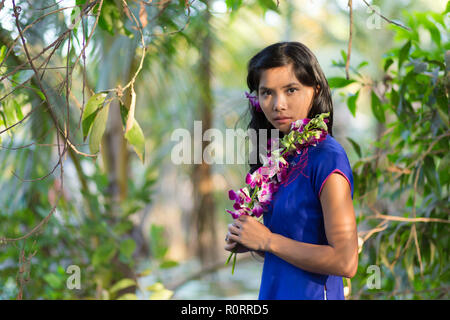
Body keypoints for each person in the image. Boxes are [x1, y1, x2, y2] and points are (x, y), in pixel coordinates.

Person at [224, 42, 358, 300]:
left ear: (315, 90)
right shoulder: (281, 157)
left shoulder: (328, 158)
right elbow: (298, 240)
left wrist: (268, 241)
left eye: (291, 90)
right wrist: (252, 240)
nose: (278, 104)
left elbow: (346, 261)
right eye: (267, 93)